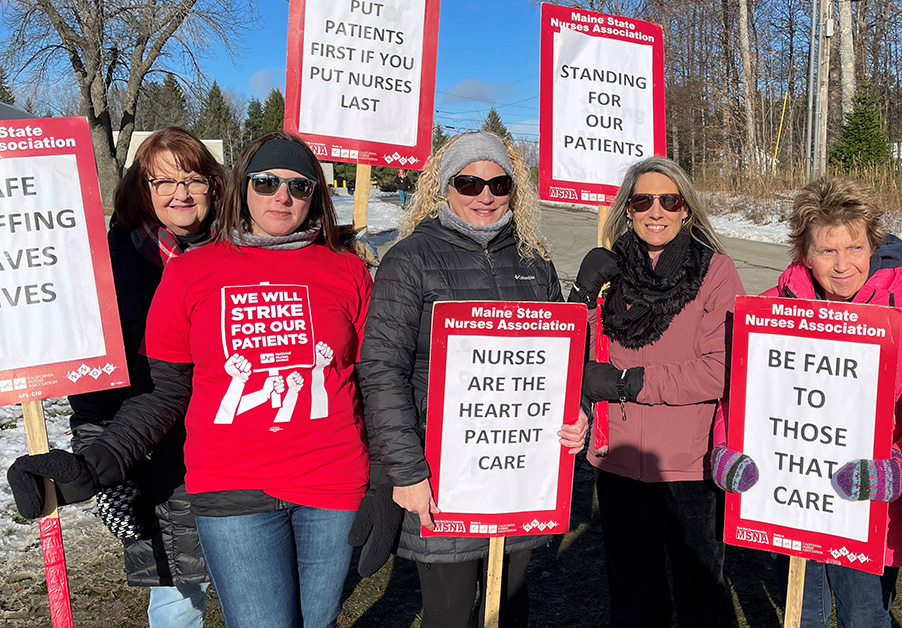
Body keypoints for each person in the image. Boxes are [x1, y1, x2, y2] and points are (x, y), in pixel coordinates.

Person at [8, 131, 374, 628]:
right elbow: (164, 391)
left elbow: (374, 381)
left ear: (317, 195)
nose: (282, 197)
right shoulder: (190, 273)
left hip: (332, 484)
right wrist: (94, 464)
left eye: (300, 186)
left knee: (318, 621)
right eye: (266, 182)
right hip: (232, 488)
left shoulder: (347, 270)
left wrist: (394, 480)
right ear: (243, 187)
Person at [353, 131, 586, 628]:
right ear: (445, 188)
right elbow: (380, 370)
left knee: (509, 607)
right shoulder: (409, 259)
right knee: (450, 612)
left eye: (499, 184)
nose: (485, 195)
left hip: (520, 469)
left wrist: (575, 413)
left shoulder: (533, 261)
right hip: (441, 473)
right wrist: (407, 472)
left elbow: (558, 364)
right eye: (469, 182)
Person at [570, 156, 744, 628]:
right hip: (619, 462)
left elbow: (719, 370)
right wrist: (583, 294)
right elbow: (574, 352)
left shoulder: (715, 271)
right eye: (643, 199)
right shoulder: (611, 271)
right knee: (633, 600)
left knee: (701, 598)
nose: (656, 211)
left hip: (690, 468)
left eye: (669, 200)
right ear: (627, 208)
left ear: (686, 209)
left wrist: (632, 384)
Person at [760, 177, 902, 628]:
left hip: (871, 505)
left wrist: (900, 464)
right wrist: (729, 447)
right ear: (804, 253)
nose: (842, 266)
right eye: (826, 251)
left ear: (873, 245)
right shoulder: (770, 310)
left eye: (854, 248)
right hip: (793, 497)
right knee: (803, 614)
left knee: (865, 615)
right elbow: (739, 395)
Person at [67, 127, 221, 628]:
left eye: (193, 179)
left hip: (236, 448)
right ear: (140, 189)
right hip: (157, 454)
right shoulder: (109, 264)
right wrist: (97, 448)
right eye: (163, 182)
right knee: (178, 598)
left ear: (214, 186)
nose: (180, 194)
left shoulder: (241, 254)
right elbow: (93, 375)